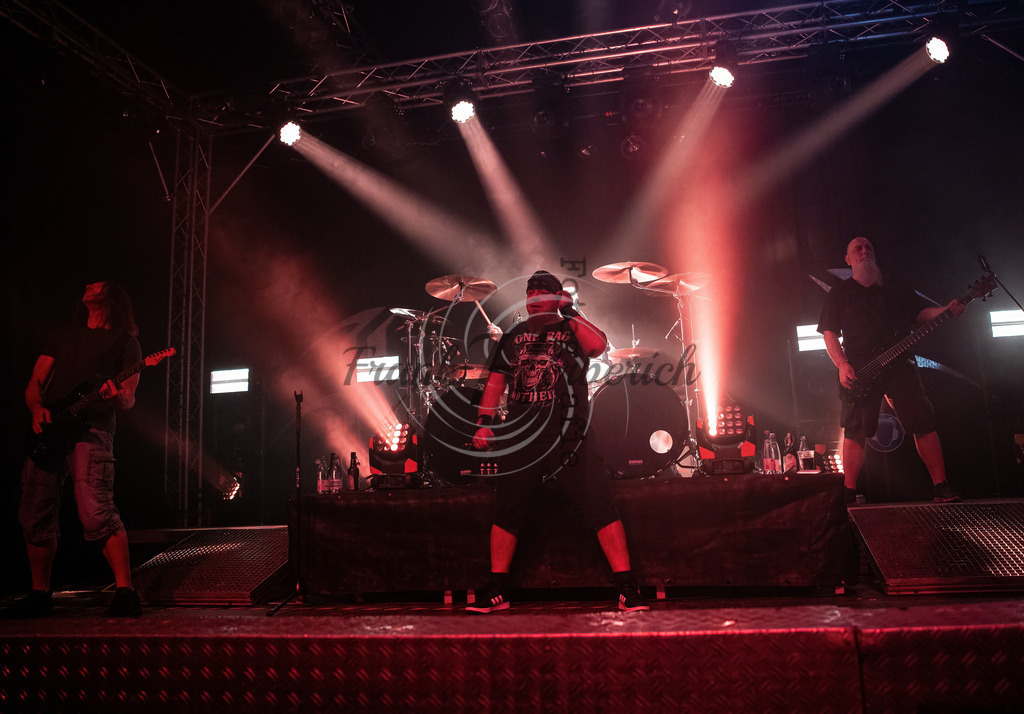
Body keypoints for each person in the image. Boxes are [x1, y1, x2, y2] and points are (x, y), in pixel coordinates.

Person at [466, 270, 648, 613]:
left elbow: (599, 345)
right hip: (522, 435)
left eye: (542, 292)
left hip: (569, 434)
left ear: (557, 296)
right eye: (529, 292)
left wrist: (571, 311)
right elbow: (495, 382)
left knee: (598, 505)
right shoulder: (514, 335)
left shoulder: (572, 329)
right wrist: (484, 422)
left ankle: (627, 587)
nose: (534, 298)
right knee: (508, 508)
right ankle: (497, 589)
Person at [4, 281, 143, 618]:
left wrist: (116, 395)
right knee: (34, 510)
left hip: (92, 428)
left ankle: (126, 591)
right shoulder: (63, 336)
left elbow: (128, 397)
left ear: (111, 297)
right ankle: (40, 593)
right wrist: (37, 410)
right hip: (49, 429)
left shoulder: (126, 343)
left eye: (97, 284)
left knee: (95, 509)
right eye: (87, 284)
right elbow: (34, 383)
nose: (88, 285)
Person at [817, 237, 966, 505]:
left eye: (868, 248)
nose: (865, 251)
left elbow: (920, 314)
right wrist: (842, 364)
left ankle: (941, 486)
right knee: (854, 429)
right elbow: (829, 333)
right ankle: (848, 492)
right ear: (848, 259)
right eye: (858, 249)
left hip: (901, 366)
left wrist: (946, 310)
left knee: (923, 421)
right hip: (861, 369)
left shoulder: (896, 288)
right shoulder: (839, 293)